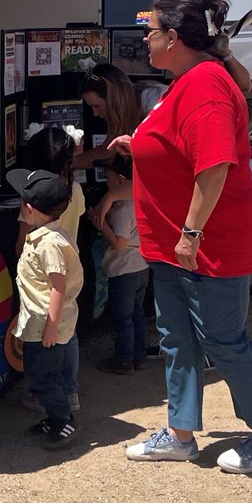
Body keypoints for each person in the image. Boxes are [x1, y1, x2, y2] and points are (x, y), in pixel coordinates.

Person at [110, 0, 252, 475]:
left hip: (205, 243)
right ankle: (180, 433)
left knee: (223, 339)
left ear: (173, 37)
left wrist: (191, 233)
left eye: (149, 31)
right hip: (175, 243)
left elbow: (214, 166)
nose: (144, 39)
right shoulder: (187, 80)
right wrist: (140, 144)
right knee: (176, 337)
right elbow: (180, 143)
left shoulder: (205, 85)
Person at [6, 167, 83, 449]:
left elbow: (58, 287)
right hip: (41, 322)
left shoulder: (50, 244)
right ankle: (55, 417)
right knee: (44, 374)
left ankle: (63, 421)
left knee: (42, 379)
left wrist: (51, 327)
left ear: (29, 209)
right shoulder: (46, 235)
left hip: (46, 326)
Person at [14, 125, 84, 415]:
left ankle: (48, 398)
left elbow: (20, 242)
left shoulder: (35, 200)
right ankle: (71, 390)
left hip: (44, 284)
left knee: (46, 344)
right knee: (69, 336)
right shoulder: (74, 190)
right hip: (67, 273)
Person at [94, 155, 150, 375]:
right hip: (141, 266)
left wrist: (100, 224)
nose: (107, 184)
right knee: (137, 314)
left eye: (108, 179)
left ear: (120, 180)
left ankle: (124, 360)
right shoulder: (138, 201)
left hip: (123, 270)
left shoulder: (123, 209)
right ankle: (139, 356)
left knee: (123, 318)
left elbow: (119, 243)